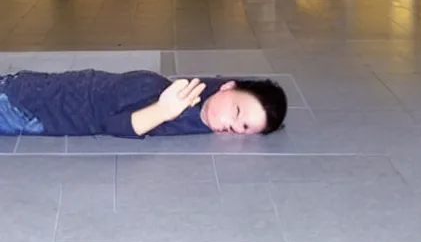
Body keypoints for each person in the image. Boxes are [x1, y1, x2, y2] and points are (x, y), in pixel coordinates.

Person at [0, 72, 287, 138]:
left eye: (244, 127)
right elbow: (113, 125)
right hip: (25, 103)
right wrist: (163, 111)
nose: (233, 125)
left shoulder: (199, 111)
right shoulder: (159, 90)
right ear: (228, 87)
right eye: (237, 111)